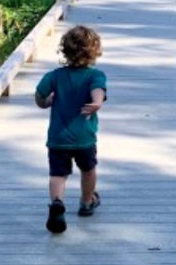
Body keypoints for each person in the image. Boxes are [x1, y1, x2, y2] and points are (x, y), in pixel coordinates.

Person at [35, 25, 107, 233]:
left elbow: (40, 95)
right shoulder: (96, 76)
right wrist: (96, 103)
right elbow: (97, 92)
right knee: (88, 169)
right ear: (94, 52)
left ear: (64, 51)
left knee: (58, 174)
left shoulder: (55, 76)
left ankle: (57, 202)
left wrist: (46, 102)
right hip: (84, 137)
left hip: (58, 138)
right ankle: (86, 202)